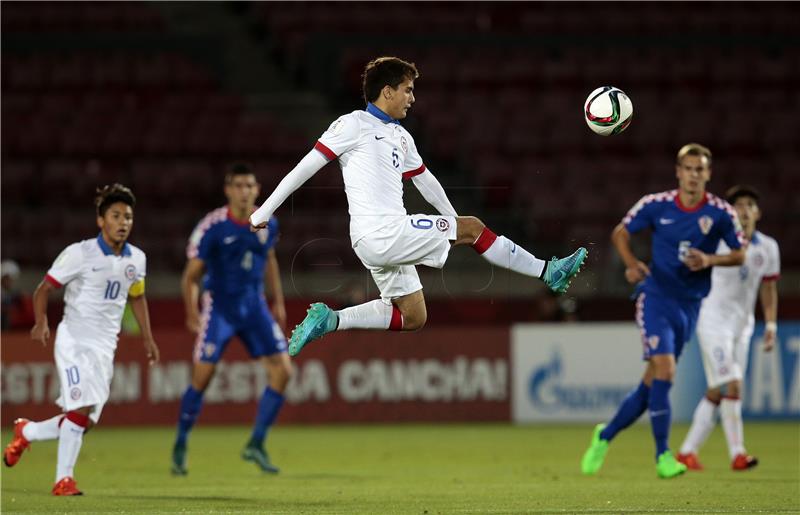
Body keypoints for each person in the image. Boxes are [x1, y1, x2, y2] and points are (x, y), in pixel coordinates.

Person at [248, 56, 587, 355]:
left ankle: (332, 320)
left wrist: (455, 222)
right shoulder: (353, 124)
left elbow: (426, 182)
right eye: (407, 90)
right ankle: (547, 271)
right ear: (387, 91)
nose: (412, 98)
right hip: (381, 231)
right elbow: (307, 165)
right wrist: (265, 211)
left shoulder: (401, 136)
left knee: (414, 316)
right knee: (473, 228)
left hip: (383, 238)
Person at [580, 143, 746, 479]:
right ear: (678, 172)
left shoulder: (720, 213)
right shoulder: (656, 205)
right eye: (688, 168)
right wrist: (630, 264)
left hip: (690, 306)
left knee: (650, 386)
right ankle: (663, 456)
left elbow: (740, 254)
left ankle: (604, 435)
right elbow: (620, 233)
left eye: (700, 169)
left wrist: (710, 259)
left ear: (708, 174)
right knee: (666, 371)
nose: (693, 175)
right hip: (656, 298)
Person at [3, 184, 160, 496]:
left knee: (84, 420)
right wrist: (42, 322)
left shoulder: (137, 260)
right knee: (82, 407)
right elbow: (44, 288)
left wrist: (148, 338)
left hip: (104, 348)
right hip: (74, 341)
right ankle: (63, 480)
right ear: (101, 220)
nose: (123, 222)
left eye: (128, 216)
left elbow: (137, 298)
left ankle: (27, 431)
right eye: (115, 215)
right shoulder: (80, 253)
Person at [171, 163, 290, 476]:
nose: (244, 191)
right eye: (238, 185)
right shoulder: (213, 227)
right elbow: (190, 276)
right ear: (228, 190)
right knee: (202, 378)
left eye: (249, 185)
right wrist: (192, 311)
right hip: (220, 309)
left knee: (283, 371)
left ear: (257, 189)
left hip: (254, 307)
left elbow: (270, 259)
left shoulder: (268, 222)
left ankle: (256, 443)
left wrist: (277, 300)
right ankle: (181, 441)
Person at [678, 185, 779, 471]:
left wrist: (770, 323)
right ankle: (738, 453)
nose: (744, 209)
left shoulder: (768, 248)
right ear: (730, 212)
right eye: (738, 205)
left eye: (750, 204)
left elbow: (769, 288)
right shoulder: (717, 241)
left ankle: (687, 451)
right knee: (733, 383)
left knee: (715, 390)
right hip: (712, 321)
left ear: (758, 213)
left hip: (742, 326)